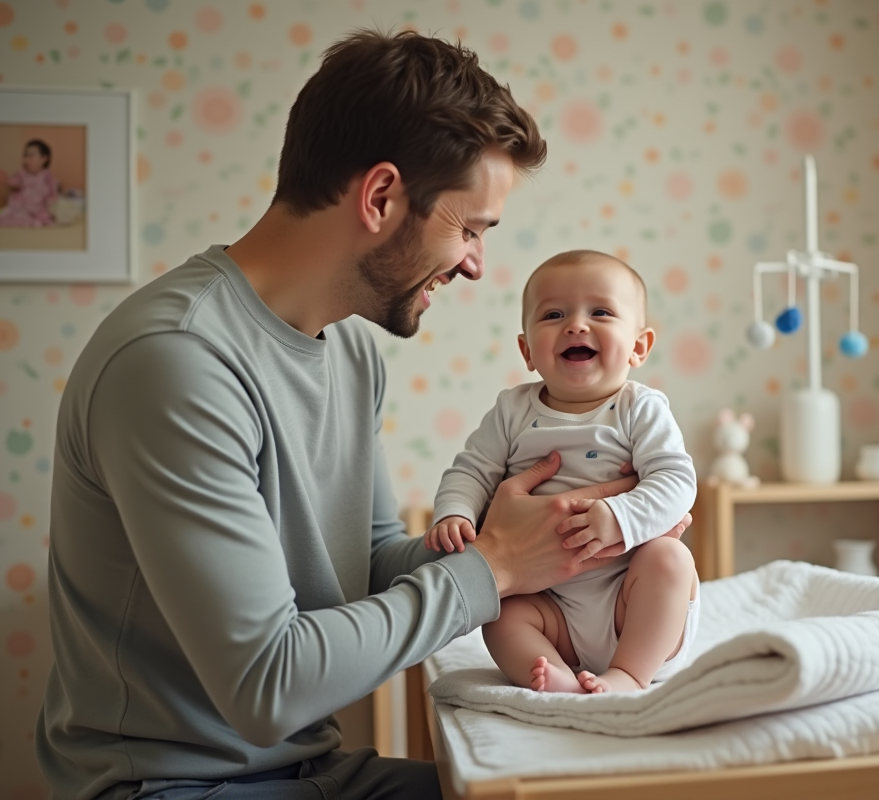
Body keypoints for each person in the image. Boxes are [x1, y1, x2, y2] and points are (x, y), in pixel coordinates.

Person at [35, 31, 690, 800]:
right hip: (172, 786)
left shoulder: (348, 352)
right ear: (380, 198)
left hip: (311, 771)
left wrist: (547, 541)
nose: (476, 264)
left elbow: (371, 563)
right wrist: (497, 568)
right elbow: (266, 684)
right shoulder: (175, 364)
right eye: (470, 228)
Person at [425, 250, 699, 694]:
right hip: (549, 607)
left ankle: (629, 674)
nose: (576, 325)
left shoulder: (639, 408)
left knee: (670, 560)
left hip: (628, 597)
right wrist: (455, 512)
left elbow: (676, 480)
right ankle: (557, 677)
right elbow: (471, 470)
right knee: (499, 610)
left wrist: (620, 516)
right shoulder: (512, 410)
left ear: (639, 347)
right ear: (527, 350)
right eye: (554, 314)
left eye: (601, 312)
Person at [0, 139, 59, 227]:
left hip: (39, 207)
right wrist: (6, 181)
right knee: (10, 214)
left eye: (31, 156)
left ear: (44, 159)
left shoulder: (48, 176)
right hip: (22, 206)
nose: (27, 159)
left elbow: (52, 193)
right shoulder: (21, 174)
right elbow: (13, 184)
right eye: (25, 156)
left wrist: (52, 203)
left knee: (46, 216)